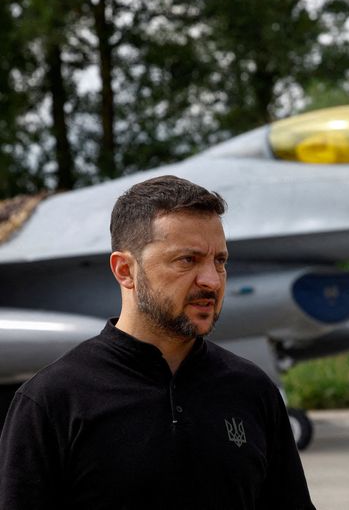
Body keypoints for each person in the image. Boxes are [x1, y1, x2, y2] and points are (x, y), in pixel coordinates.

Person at [0, 175, 315, 509]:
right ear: (125, 270)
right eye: (187, 260)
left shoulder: (253, 391)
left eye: (220, 261)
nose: (211, 280)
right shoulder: (52, 401)